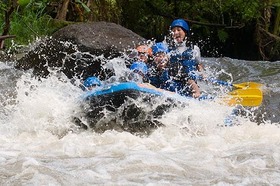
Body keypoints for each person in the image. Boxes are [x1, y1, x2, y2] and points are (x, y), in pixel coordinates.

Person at [167, 18, 202, 98]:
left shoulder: (194, 49)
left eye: (178, 30)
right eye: (173, 31)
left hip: (190, 80)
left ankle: (197, 91)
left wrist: (203, 75)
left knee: (187, 73)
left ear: (185, 32)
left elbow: (198, 65)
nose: (176, 32)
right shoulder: (168, 48)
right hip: (174, 78)